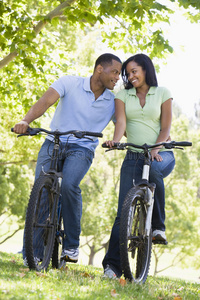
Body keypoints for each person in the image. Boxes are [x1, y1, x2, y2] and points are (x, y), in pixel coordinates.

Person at [13, 53, 122, 264]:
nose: (118, 78)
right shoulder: (69, 82)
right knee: (41, 192)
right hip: (54, 141)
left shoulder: (113, 101)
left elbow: (123, 125)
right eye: (115, 72)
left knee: (69, 185)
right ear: (100, 69)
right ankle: (34, 254)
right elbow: (45, 101)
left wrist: (158, 137)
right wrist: (25, 121)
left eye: (119, 74)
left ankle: (71, 245)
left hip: (82, 149)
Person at [102, 53, 175, 279]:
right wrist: (116, 139)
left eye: (135, 71)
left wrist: (155, 150)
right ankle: (112, 267)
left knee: (153, 171)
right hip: (134, 156)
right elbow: (121, 122)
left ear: (146, 70)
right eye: (128, 73)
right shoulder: (123, 95)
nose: (131, 76)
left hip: (162, 153)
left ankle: (157, 227)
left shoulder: (163, 93)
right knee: (122, 214)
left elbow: (165, 128)